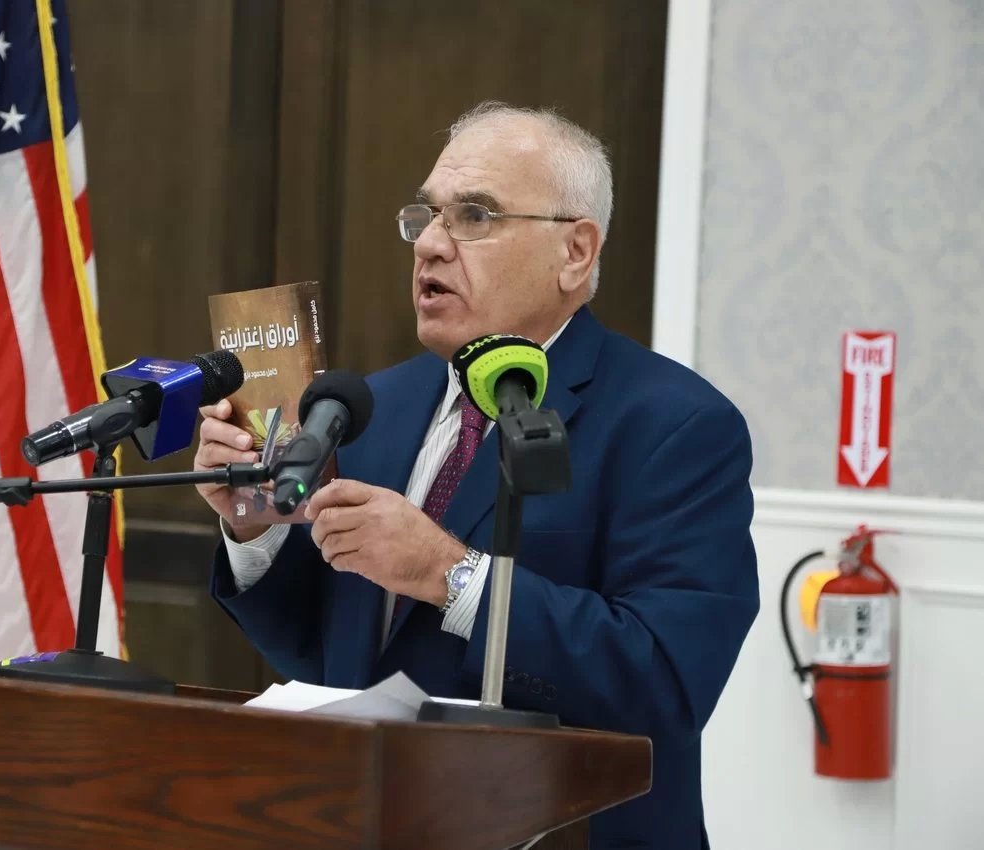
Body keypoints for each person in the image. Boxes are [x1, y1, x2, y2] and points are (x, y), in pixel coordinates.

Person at [193, 101, 759, 850]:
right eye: (427, 215)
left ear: (575, 252)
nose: (430, 244)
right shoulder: (372, 406)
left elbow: (664, 682)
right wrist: (255, 529)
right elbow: (325, 659)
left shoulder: (675, 425)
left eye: (474, 216)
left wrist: (448, 574)